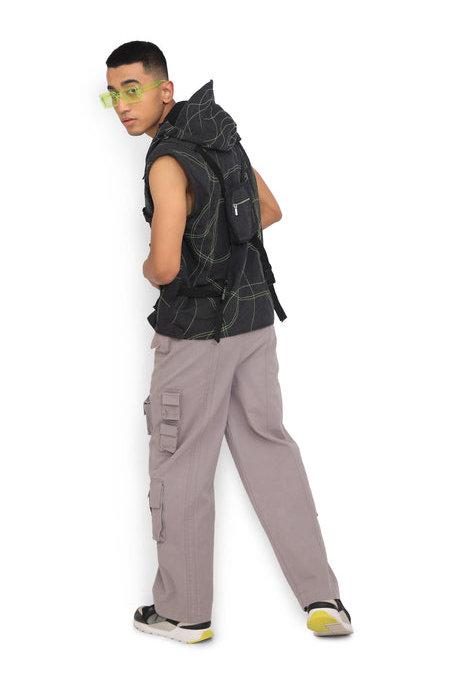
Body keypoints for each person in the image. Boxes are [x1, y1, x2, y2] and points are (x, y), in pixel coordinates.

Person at [102, 41, 353, 644]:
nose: (122, 105)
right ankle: (322, 598)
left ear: (165, 89)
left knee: (180, 463)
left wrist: (149, 266)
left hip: (194, 337)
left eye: (132, 89)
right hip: (254, 323)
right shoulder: (222, 138)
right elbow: (268, 209)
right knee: (271, 451)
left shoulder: (166, 162)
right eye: (112, 95)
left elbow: (165, 267)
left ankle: (184, 612)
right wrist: (216, 238)